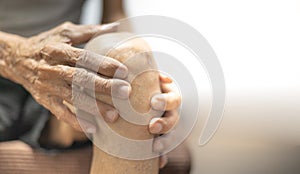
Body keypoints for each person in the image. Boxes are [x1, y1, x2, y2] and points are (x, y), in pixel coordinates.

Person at [0, 0, 190, 173]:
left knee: (127, 63)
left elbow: (115, 15)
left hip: (54, 64)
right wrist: (13, 55)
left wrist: (147, 84)